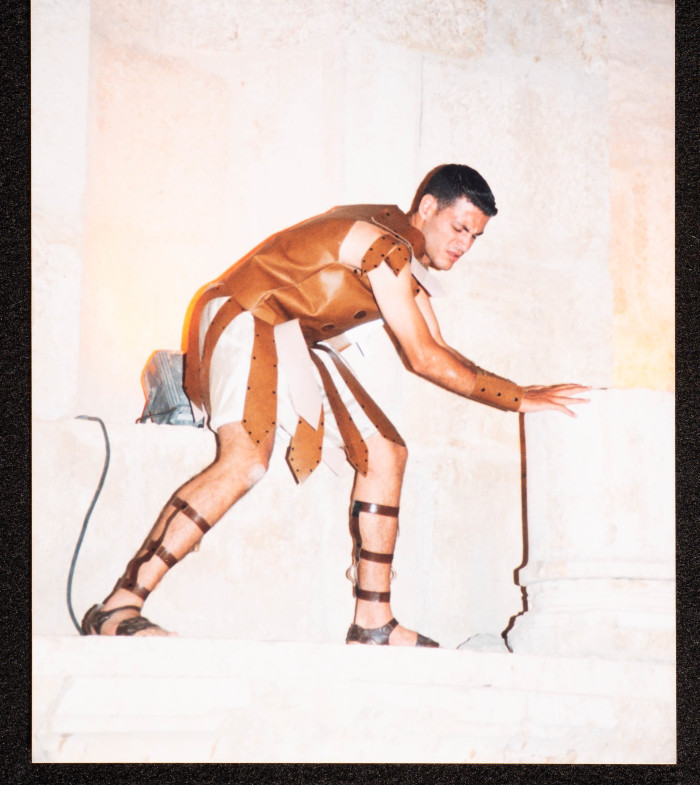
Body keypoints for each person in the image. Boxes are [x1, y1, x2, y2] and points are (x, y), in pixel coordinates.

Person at [81, 164, 589, 645]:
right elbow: (424, 358)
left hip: (287, 334)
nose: (465, 245)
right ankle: (117, 607)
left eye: (475, 236)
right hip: (245, 313)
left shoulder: (401, 256)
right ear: (427, 208)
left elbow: (438, 347)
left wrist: (522, 391)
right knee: (245, 462)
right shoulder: (381, 244)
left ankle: (373, 623)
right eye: (460, 228)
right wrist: (521, 398)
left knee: (385, 452)